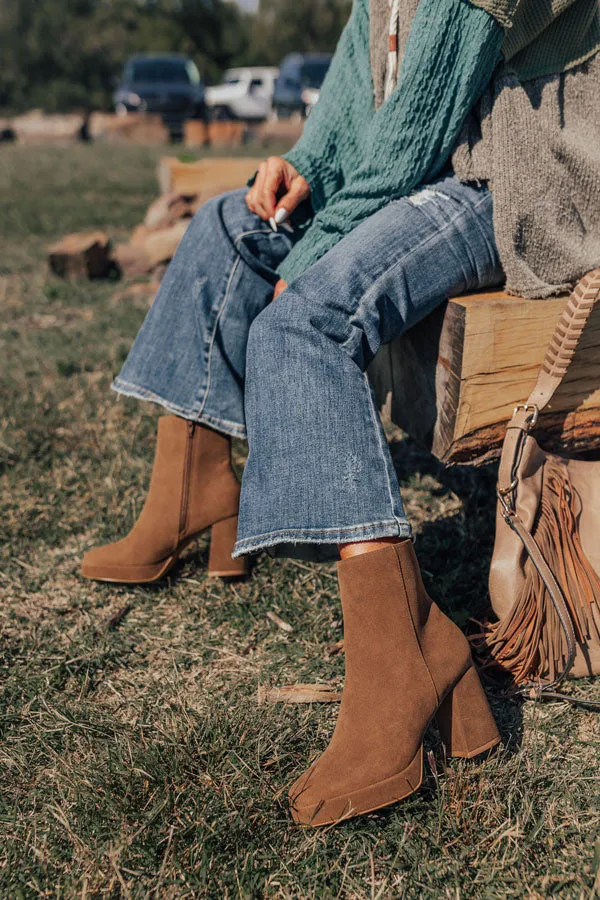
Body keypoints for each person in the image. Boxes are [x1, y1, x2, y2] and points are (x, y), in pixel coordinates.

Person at [81, 0, 600, 825]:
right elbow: (369, 62)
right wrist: (309, 164)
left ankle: (406, 658)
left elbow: (427, 105)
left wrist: (324, 248)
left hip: (514, 182)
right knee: (227, 225)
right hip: (433, 166)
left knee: (302, 326)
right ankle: (194, 494)